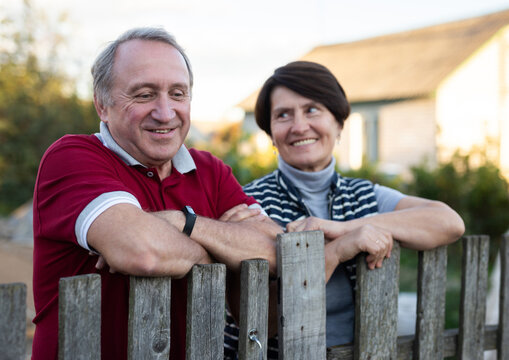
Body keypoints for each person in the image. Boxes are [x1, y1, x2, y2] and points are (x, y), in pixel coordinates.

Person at [31, 27, 281, 360]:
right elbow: (144, 253)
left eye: (178, 93)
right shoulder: (72, 157)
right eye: (144, 94)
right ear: (102, 105)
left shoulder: (211, 171)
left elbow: (275, 253)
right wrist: (225, 248)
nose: (165, 113)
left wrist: (183, 223)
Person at [223, 61, 465, 359]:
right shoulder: (250, 204)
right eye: (283, 115)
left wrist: (342, 228)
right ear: (271, 134)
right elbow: (258, 321)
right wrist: (337, 251)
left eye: (312, 109)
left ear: (339, 123)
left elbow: (449, 223)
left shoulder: (362, 194)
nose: (299, 126)